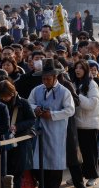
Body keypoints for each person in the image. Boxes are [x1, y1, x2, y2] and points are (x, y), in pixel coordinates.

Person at [28, 59, 75, 188]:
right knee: (39, 164)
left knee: (54, 167)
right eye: (43, 79)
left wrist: (53, 115)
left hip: (56, 132)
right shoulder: (37, 90)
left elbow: (70, 110)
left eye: (48, 79)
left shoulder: (64, 91)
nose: (45, 81)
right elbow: (28, 104)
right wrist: (35, 109)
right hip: (40, 131)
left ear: (55, 77)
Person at [0, 80, 35, 188]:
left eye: (6, 96)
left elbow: (32, 120)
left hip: (20, 141)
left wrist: (18, 126)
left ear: (12, 93)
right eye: (2, 96)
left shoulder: (23, 103)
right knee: (5, 171)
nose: (4, 99)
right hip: (4, 142)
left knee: (18, 172)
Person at [71, 60, 99, 186]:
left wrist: (77, 95)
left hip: (89, 124)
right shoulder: (73, 84)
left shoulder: (92, 84)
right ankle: (78, 176)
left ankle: (92, 176)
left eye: (81, 68)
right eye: (76, 68)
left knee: (89, 153)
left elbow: (91, 104)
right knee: (78, 154)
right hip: (76, 124)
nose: (78, 70)